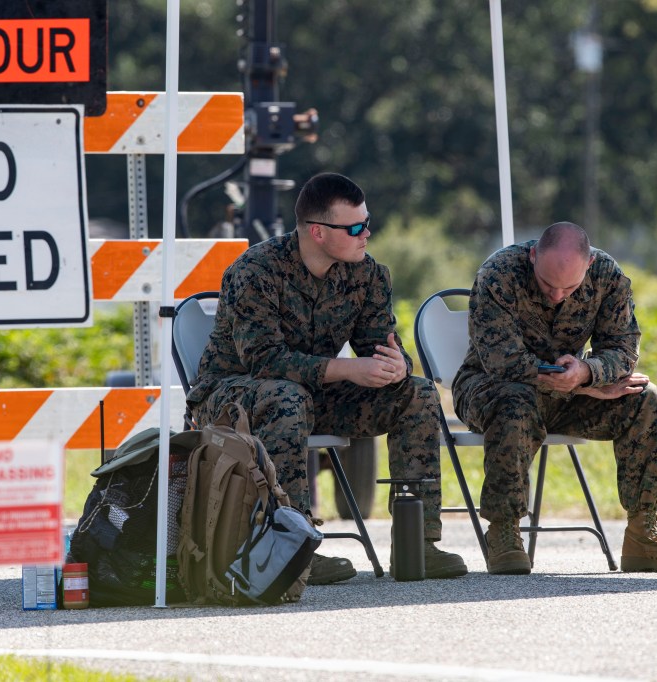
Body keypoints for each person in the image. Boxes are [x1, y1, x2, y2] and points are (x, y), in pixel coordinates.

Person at [186, 172, 467, 584]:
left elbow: (380, 341)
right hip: (232, 398)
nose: (366, 234)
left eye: (367, 222)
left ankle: (418, 541)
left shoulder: (367, 274)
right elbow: (264, 360)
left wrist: (396, 366)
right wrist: (351, 369)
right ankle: (293, 547)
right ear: (317, 232)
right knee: (286, 396)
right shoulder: (256, 271)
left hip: (310, 395)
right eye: (354, 228)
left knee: (417, 394)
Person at [453, 221, 657, 575]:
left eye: (569, 287)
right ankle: (504, 532)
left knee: (644, 398)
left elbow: (623, 349)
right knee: (515, 402)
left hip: (569, 391)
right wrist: (581, 384)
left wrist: (587, 373)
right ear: (533, 255)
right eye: (547, 284)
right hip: (489, 388)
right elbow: (502, 361)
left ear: (587, 266)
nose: (556, 295)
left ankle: (642, 534)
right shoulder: (499, 273)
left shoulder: (607, 275)